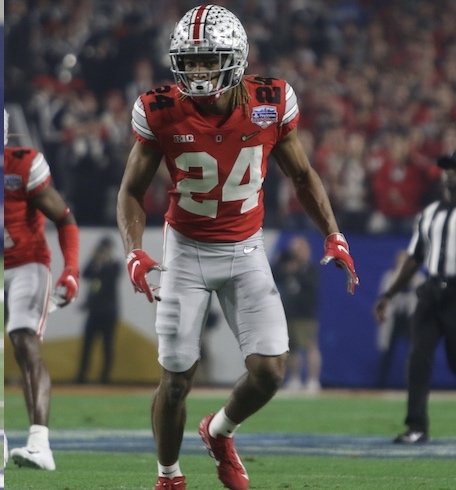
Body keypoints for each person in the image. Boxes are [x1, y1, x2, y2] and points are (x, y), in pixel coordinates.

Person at [116, 6, 359, 489]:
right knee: (177, 376)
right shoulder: (159, 109)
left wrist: (333, 232)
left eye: (210, 60)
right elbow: (130, 191)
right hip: (185, 250)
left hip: (246, 248)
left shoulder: (271, 100)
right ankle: (169, 476)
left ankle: (219, 430)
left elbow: (302, 174)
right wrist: (134, 249)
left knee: (270, 372)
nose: (200, 70)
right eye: (192, 60)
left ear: (237, 59)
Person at [5, 108, 79, 471]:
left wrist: (72, 270)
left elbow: (64, 218)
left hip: (26, 263)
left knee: (25, 343)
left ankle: (39, 444)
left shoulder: (22, 165)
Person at [373, 154, 456, 445]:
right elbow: (415, 258)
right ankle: (416, 426)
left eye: (454, 170)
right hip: (431, 292)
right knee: (419, 359)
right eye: (447, 170)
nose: (449, 175)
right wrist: (389, 294)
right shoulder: (430, 212)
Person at [273, 235, 320, 392]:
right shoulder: (286, 266)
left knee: (310, 346)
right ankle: (294, 378)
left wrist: (297, 270)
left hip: (305, 314)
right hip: (289, 312)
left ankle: (313, 380)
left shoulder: (310, 268)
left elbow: (311, 287)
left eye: (298, 249)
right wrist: (283, 263)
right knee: (291, 349)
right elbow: (274, 274)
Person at [75, 235, 121, 384]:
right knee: (87, 346)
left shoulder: (115, 265)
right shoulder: (95, 265)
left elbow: (108, 282)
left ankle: (105, 378)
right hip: (94, 312)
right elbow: (85, 274)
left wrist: (104, 262)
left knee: (107, 347)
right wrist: (95, 260)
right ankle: (81, 376)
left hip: (108, 313)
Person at [375, 249, 423, 389]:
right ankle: (380, 385)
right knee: (387, 352)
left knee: (414, 352)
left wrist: (409, 274)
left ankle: (413, 384)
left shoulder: (418, 278)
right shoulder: (389, 277)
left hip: (410, 318)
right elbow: (384, 296)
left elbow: (418, 297)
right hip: (393, 318)